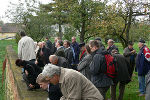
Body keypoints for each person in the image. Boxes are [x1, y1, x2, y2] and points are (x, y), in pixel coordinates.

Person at [36, 64, 103, 100]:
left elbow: (74, 98)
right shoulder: (61, 77)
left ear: (55, 76)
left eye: (49, 80)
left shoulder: (70, 76)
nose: (49, 82)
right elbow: (66, 96)